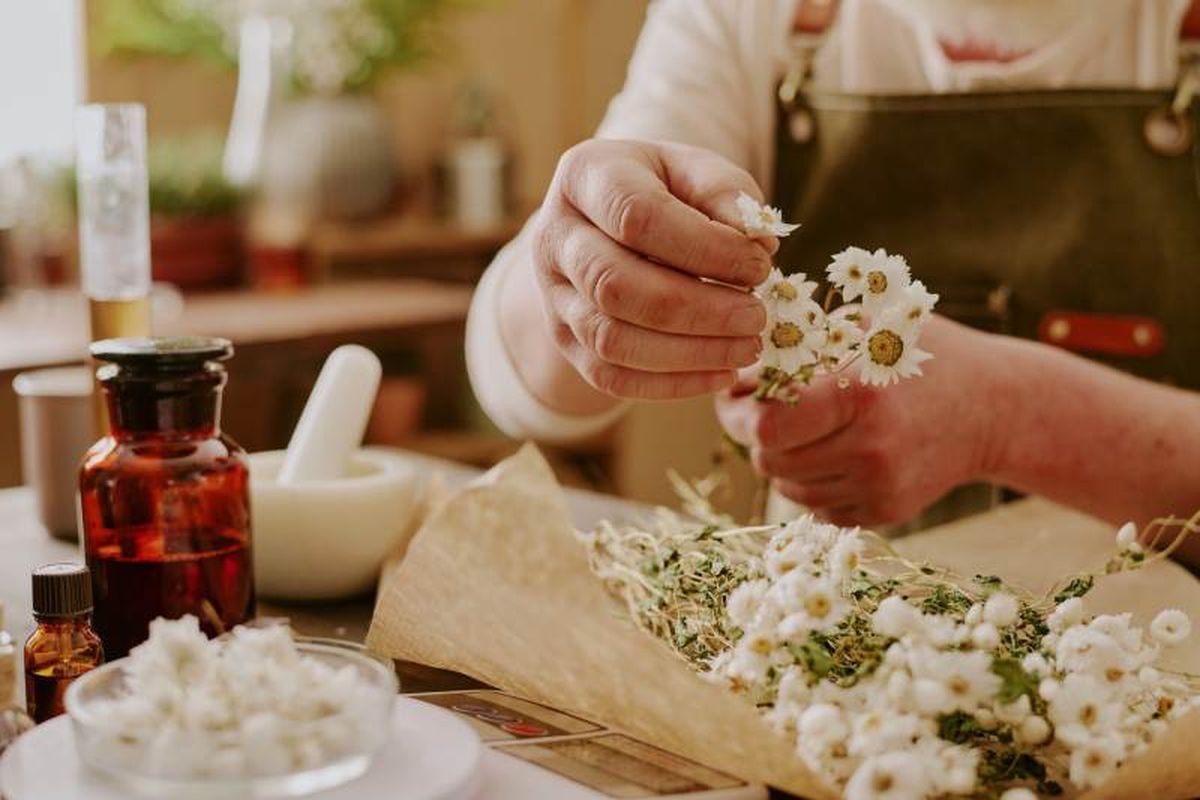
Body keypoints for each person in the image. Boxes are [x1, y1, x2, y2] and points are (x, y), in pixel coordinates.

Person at [466, 0, 1200, 564]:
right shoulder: (756, 16)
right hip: (819, 667)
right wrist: (586, 263)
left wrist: (1006, 418)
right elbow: (518, 376)